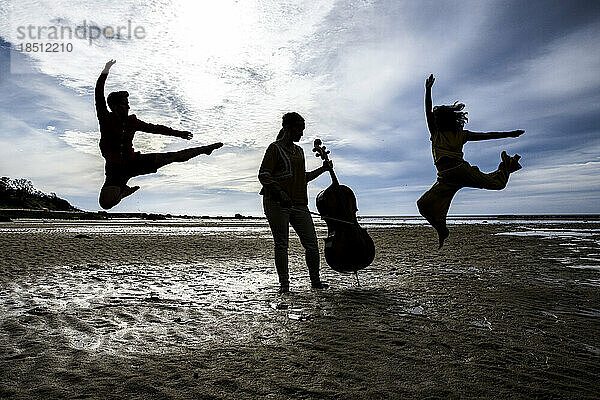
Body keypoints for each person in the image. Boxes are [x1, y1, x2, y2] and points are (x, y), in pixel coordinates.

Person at [95, 59, 223, 209]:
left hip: (134, 162)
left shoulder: (132, 122)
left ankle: (204, 149)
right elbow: (99, 92)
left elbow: (156, 129)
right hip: (115, 170)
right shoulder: (105, 118)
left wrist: (179, 134)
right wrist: (106, 69)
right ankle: (123, 192)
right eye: (125, 103)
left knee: (174, 157)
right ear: (115, 106)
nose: (128, 106)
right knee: (105, 203)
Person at [417, 74, 524, 248]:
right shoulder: (435, 132)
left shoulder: (461, 135)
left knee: (497, 184)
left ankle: (507, 165)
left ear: (444, 120)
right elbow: (427, 111)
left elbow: (487, 136)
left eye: (437, 118)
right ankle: (442, 230)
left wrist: (510, 134)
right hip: (444, 178)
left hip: (461, 171)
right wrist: (428, 89)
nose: (434, 119)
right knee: (423, 204)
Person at [258, 112, 332, 293]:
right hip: (276, 203)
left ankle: (315, 281)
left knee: (312, 244)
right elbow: (263, 175)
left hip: (299, 203)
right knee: (282, 244)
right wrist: (280, 192)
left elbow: (302, 178)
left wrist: (323, 169)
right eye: (300, 130)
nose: (302, 134)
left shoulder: (299, 151)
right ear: (288, 128)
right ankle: (284, 285)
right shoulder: (274, 148)